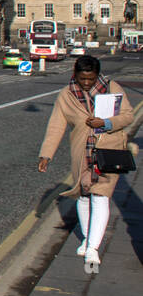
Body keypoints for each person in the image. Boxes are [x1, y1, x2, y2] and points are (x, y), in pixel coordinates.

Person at [37, 54, 134, 272]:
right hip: (82, 152)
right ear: (75, 75)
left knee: (100, 196)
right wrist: (46, 155)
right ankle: (87, 237)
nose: (87, 83)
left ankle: (92, 247)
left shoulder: (112, 87)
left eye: (91, 79)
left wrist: (107, 122)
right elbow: (56, 126)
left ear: (97, 75)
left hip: (108, 151)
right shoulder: (66, 95)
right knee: (83, 195)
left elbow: (128, 115)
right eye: (83, 79)